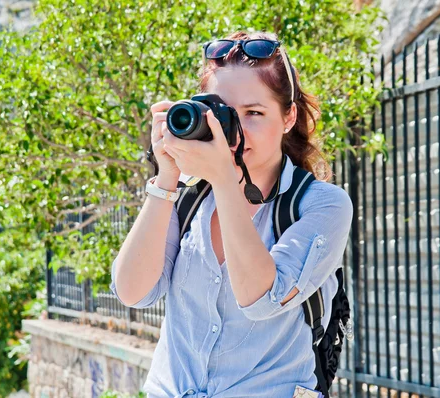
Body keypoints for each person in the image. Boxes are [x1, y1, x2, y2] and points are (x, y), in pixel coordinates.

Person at [110, 30, 353, 398]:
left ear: (288, 117)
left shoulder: (322, 205)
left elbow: (260, 298)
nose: (234, 132)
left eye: (254, 113)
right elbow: (132, 291)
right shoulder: (189, 198)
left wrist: (225, 178)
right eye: (224, 113)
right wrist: (166, 176)